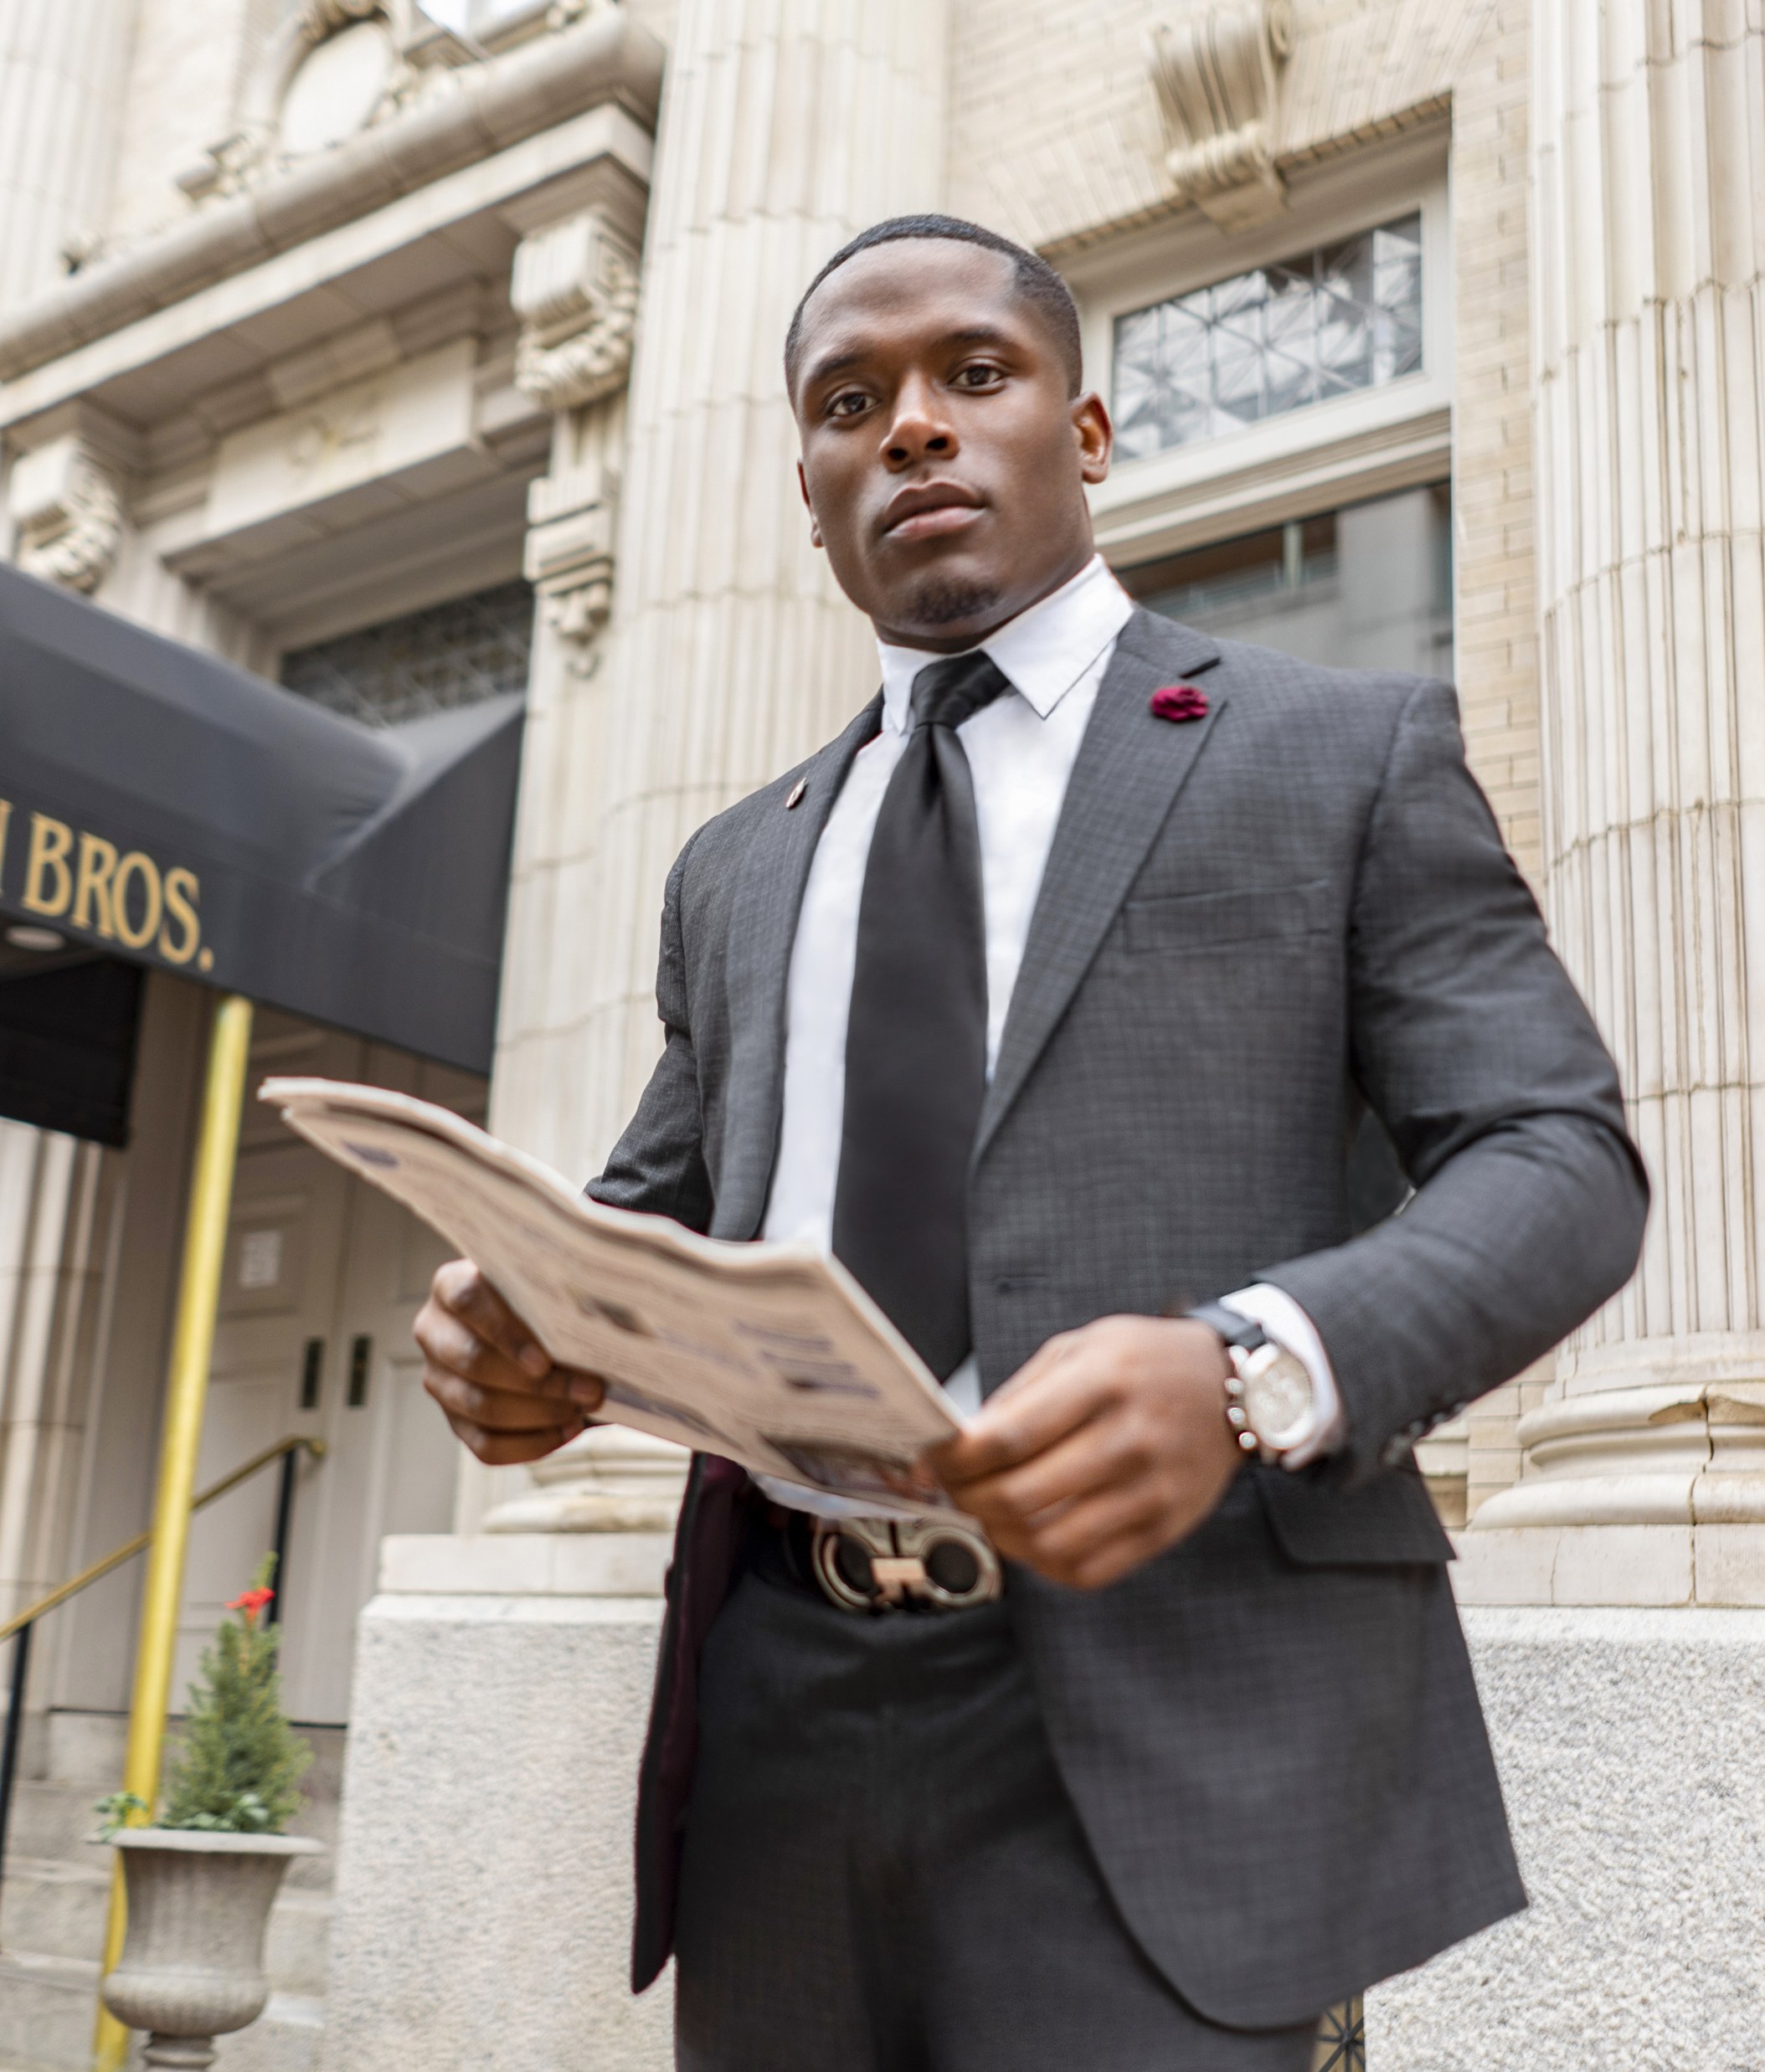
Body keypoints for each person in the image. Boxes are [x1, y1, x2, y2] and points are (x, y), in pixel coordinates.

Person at [415, 214, 1649, 2069]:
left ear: (1080, 431)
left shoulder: (1336, 753)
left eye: (970, 375)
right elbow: (650, 1221)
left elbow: (1559, 1157)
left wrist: (1254, 1363)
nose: (911, 427)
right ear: (811, 491)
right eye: (851, 403)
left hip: (1178, 1718)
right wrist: (521, 1331)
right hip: (776, 1715)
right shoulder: (738, 864)